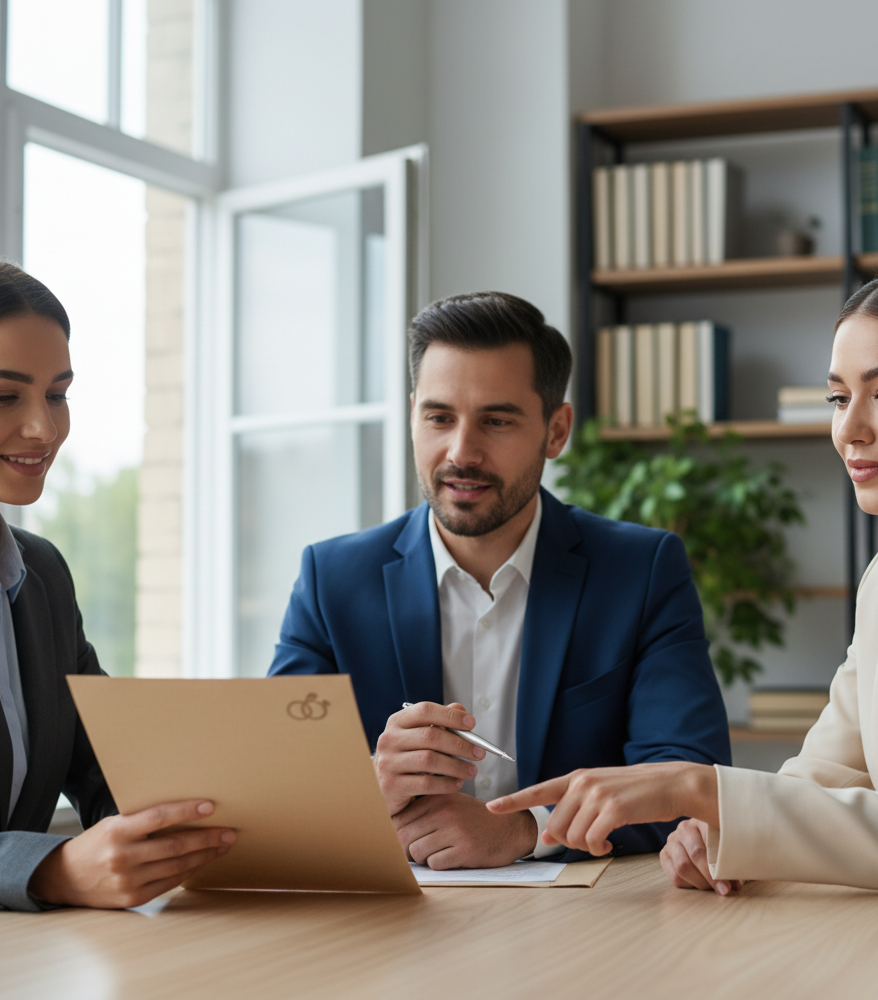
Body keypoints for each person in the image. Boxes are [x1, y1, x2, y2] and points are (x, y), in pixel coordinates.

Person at [490, 261, 878, 895]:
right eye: (839, 397)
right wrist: (719, 831)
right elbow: (827, 772)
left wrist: (696, 788)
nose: (849, 429)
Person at [269, 291, 730, 869]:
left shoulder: (641, 570)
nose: (462, 452)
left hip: (584, 930)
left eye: (497, 421)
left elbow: (688, 777)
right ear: (413, 416)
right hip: (385, 934)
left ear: (556, 430)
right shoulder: (331, 579)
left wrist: (524, 831)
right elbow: (276, 795)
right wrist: (368, 788)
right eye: (439, 417)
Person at [0, 256, 236, 912]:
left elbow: (109, 767)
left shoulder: (41, 577)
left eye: (57, 393)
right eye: (3, 395)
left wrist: (200, 819)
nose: (45, 427)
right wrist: (49, 869)